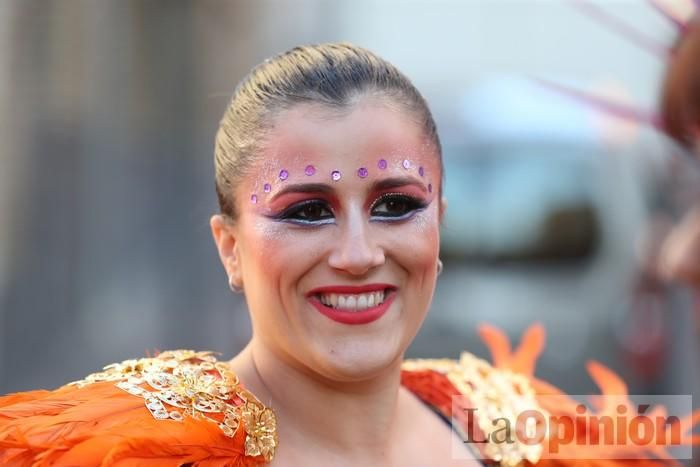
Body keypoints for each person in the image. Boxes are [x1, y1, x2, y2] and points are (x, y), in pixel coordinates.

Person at [0, 43, 696, 466]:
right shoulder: (128, 448)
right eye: (306, 212)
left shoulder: (525, 429)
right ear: (231, 247)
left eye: (397, 204)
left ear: (441, 224)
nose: (360, 254)